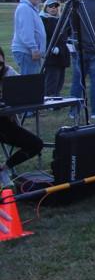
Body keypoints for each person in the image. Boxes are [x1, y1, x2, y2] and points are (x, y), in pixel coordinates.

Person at [0, 46, 45, 188]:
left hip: (5, 123)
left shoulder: (8, 72)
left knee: (35, 144)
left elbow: (24, 88)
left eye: (0, 63)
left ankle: (2, 169)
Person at [11, 0, 46, 75]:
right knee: (28, 81)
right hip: (27, 52)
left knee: (31, 81)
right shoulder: (25, 8)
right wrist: (34, 48)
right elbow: (26, 32)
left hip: (29, 52)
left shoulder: (30, 8)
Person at [40, 0, 70, 96]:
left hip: (62, 54)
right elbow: (47, 35)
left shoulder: (61, 19)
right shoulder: (43, 19)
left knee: (59, 82)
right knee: (51, 82)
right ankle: (49, 99)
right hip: (52, 56)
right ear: (46, 8)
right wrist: (51, 20)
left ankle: (56, 98)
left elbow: (66, 34)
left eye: (55, 6)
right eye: (51, 6)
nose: (53, 9)